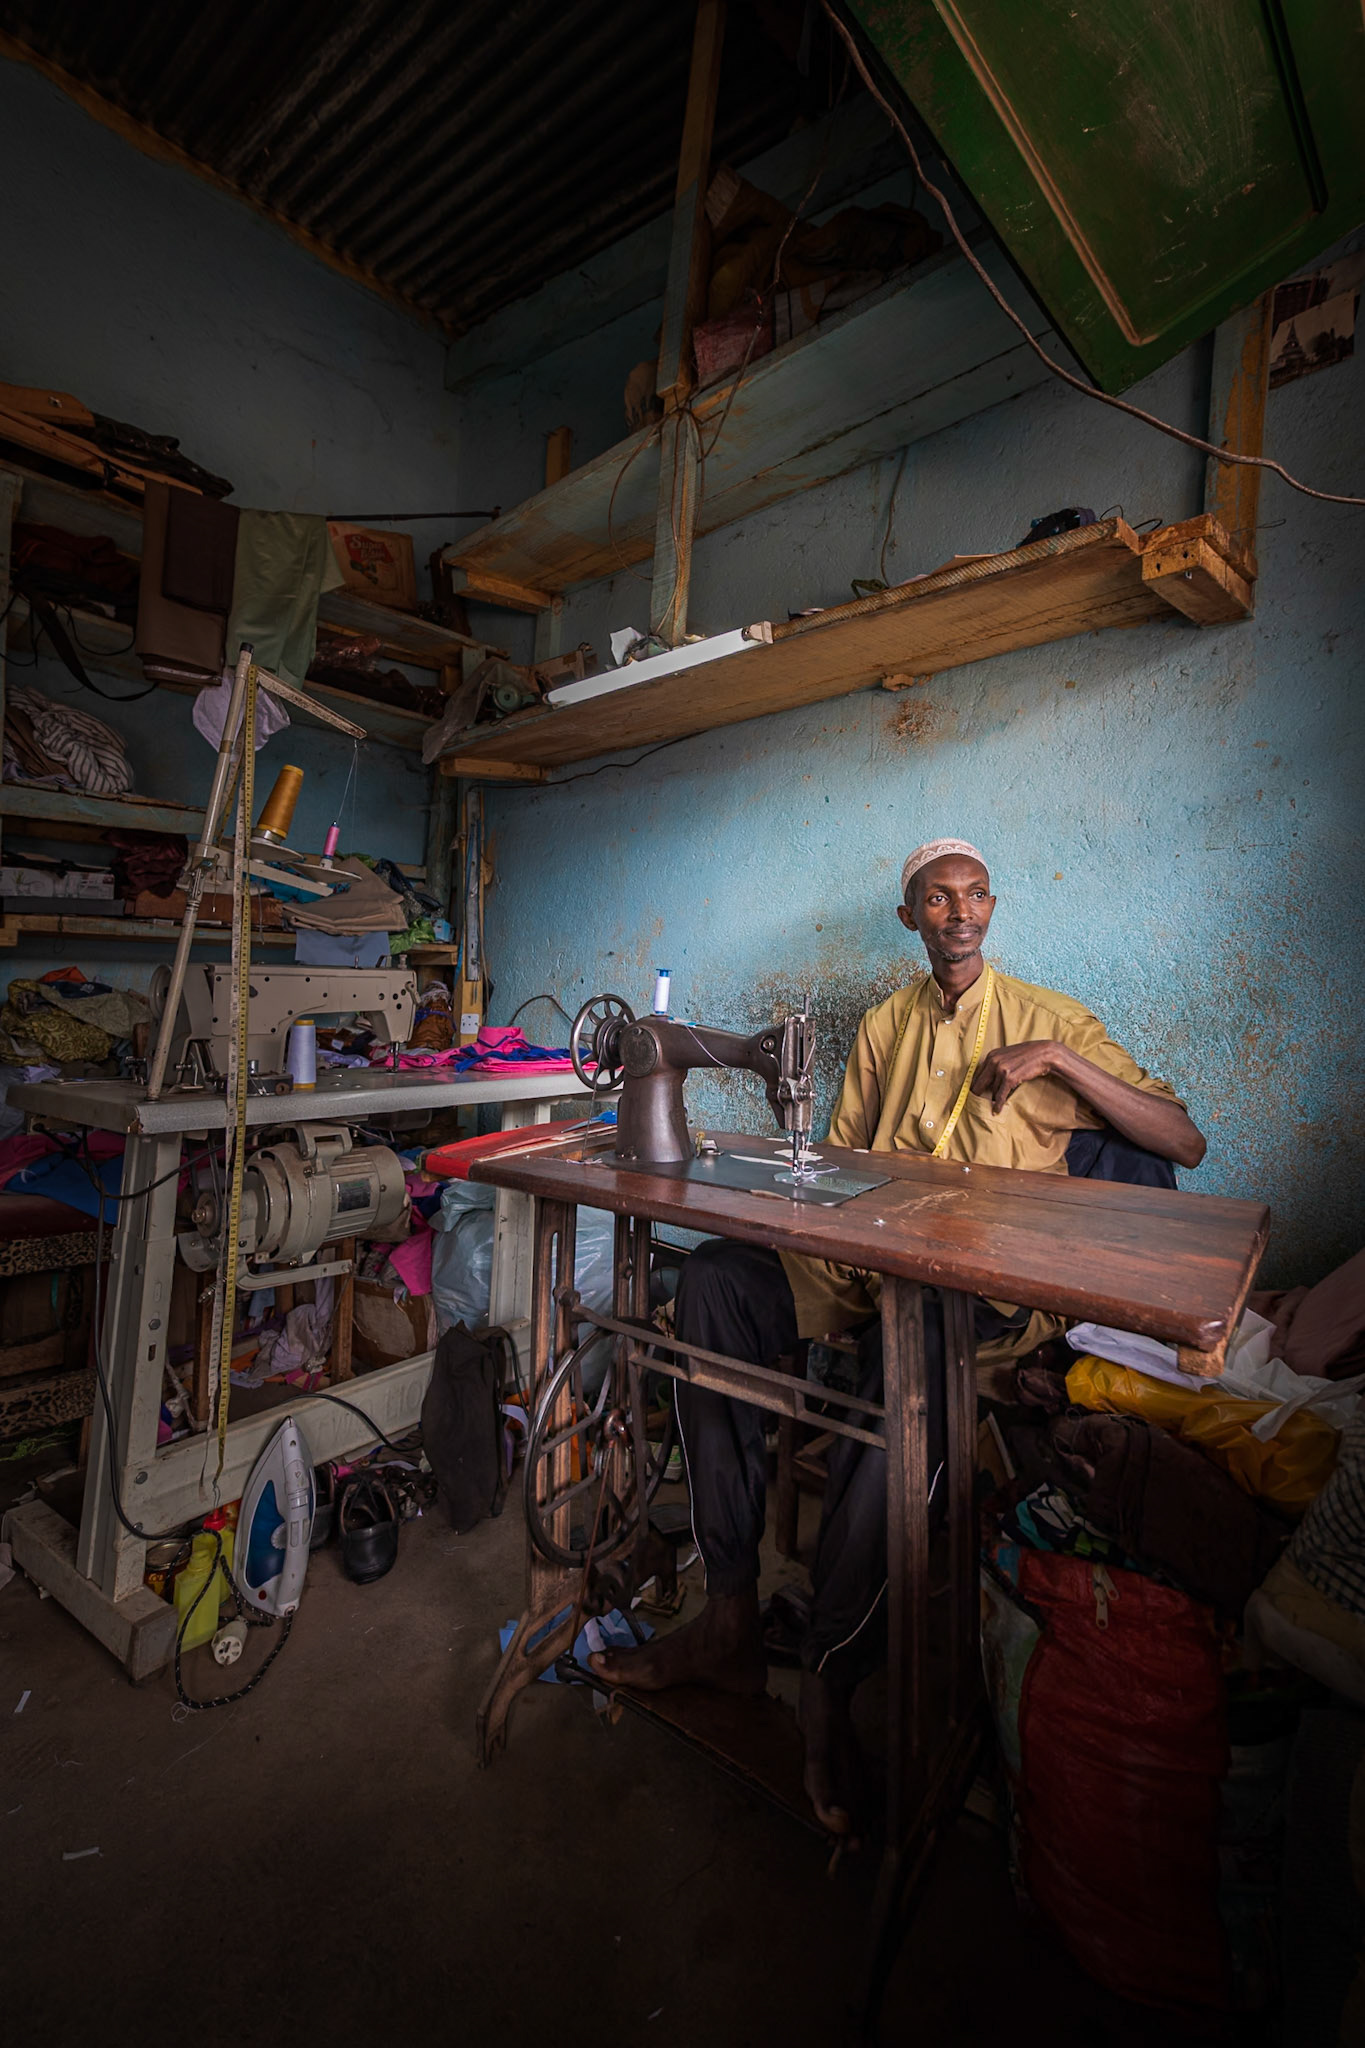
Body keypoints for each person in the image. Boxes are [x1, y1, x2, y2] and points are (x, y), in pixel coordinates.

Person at [589, 839, 1207, 1834]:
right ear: (909, 916)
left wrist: (1058, 1062)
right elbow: (833, 1160)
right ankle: (731, 1611)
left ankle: (831, 1672)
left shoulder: (1052, 1019)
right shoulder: (885, 1024)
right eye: (938, 898)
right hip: (869, 1266)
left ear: (992, 908)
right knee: (712, 1283)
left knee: (907, 1358)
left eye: (975, 895)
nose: (959, 913)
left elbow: (1183, 1141)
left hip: (978, 1294)